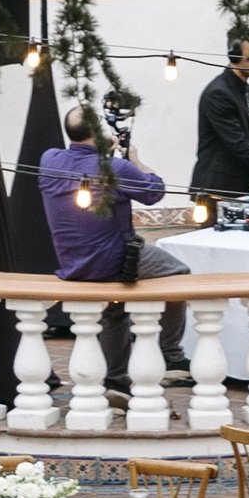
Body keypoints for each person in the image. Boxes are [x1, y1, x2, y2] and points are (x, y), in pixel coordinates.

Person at [39, 105, 187, 387]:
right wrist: (135, 160)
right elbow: (154, 192)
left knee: (115, 310)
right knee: (180, 274)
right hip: (116, 260)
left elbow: (85, 168)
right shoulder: (116, 168)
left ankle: (116, 379)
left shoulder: (49, 160)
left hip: (72, 263)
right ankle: (171, 354)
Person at [191, 36, 249, 202]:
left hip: (241, 185)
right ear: (234, 58)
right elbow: (237, 143)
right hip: (216, 187)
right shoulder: (217, 93)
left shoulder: (248, 91)